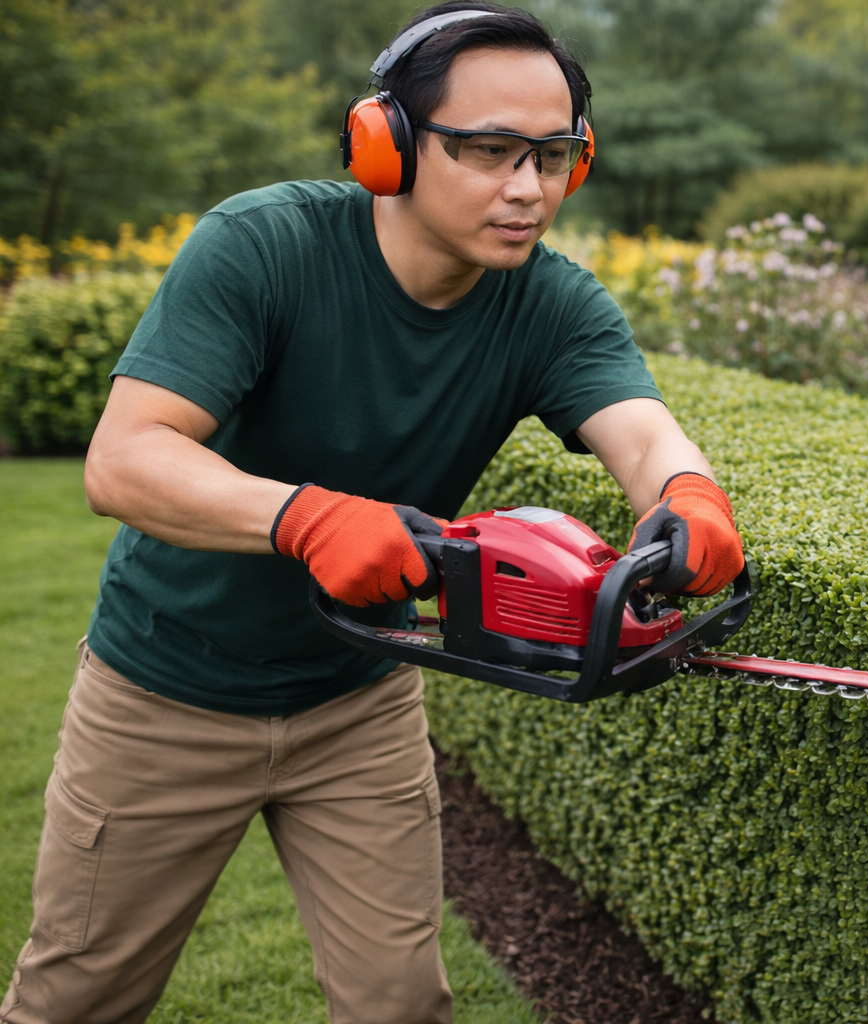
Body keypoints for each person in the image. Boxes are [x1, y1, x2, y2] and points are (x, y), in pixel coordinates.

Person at [0, 4, 744, 1022]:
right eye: (489, 150)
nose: (528, 189)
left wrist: (688, 498)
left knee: (400, 1003)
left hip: (359, 701)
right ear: (384, 141)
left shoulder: (551, 305)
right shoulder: (262, 248)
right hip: (164, 695)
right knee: (79, 996)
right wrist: (309, 518)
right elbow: (125, 461)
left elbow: (646, 436)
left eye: (555, 155)